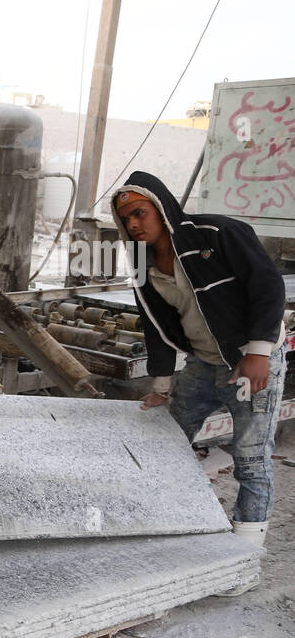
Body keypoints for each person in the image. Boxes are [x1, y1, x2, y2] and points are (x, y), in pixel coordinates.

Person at [112, 171, 287, 578]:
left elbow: (268, 285)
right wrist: (162, 383)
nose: (134, 225)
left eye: (140, 213)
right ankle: (172, 525)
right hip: (202, 364)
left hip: (247, 364)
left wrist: (259, 352)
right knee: (167, 443)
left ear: (162, 206)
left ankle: (241, 564)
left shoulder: (218, 233)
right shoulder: (142, 259)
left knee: (251, 460)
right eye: (126, 220)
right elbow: (154, 320)